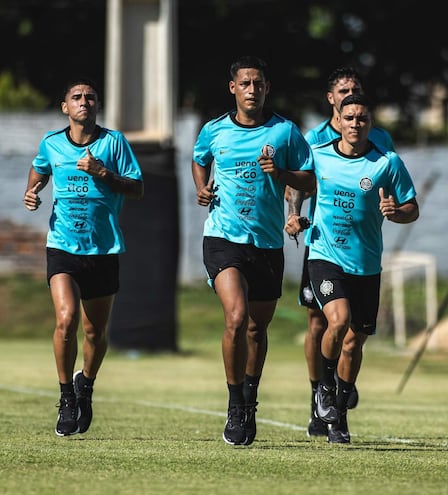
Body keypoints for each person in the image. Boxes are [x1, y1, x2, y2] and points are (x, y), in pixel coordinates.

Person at [191, 55, 315, 446]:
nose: (252, 90)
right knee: (236, 317)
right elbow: (199, 160)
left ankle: (249, 399)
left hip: (267, 243)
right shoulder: (214, 130)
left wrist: (280, 174)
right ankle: (233, 404)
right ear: (233, 88)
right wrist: (202, 186)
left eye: (258, 84)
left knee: (258, 328)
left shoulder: (285, 133)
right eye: (245, 83)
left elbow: (309, 180)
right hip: (224, 237)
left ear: (267, 88)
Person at [288, 93, 418, 443]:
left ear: (370, 124)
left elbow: (411, 208)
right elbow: (296, 184)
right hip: (324, 256)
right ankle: (324, 387)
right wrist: (293, 217)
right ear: (339, 121)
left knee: (353, 345)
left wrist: (395, 211)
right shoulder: (319, 155)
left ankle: (339, 417)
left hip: (366, 265)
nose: (355, 124)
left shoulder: (386, 163)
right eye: (349, 118)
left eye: (362, 119)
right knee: (338, 320)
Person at [23, 77, 144, 436]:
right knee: (66, 319)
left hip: (103, 249)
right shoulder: (52, 143)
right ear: (65, 107)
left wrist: (102, 172)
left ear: (98, 105)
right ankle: (66, 398)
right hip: (62, 245)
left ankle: (85, 385)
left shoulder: (114, 143)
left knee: (94, 331)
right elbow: (40, 168)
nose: (84, 102)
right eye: (76, 97)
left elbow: (136, 187)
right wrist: (32, 190)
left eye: (90, 97)